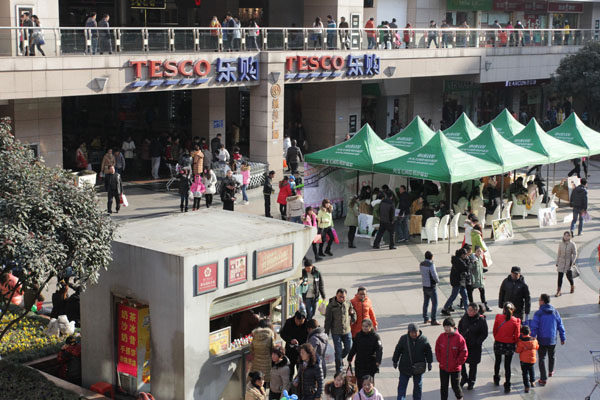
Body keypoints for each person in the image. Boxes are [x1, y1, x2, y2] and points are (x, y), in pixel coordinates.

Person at [530, 293, 566, 386]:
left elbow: (534, 326)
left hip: (542, 339)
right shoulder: (555, 312)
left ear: (542, 301)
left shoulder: (539, 313)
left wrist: (532, 336)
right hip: (552, 339)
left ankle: (543, 378)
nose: (539, 302)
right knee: (552, 355)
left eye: (539, 300)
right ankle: (551, 371)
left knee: (541, 358)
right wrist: (562, 337)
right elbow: (560, 325)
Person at [392, 322, 433, 400]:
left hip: (418, 367)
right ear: (409, 332)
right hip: (405, 366)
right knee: (402, 386)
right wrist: (395, 360)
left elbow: (428, 352)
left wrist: (429, 362)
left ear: (418, 331)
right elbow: (398, 350)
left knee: (418, 386)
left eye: (415, 332)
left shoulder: (424, 339)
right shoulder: (404, 339)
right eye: (412, 332)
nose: (414, 334)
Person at [435, 318, 468, 400]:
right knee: (443, 386)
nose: (446, 329)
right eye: (444, 327)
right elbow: (437, 349)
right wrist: (440, 360)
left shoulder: (459, 338)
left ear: (453, 326)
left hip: (455, 368)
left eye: (448, 327)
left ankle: (459, 397)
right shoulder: (441, 337)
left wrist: (457, 362)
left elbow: (464, 352)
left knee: (455, 386)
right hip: (443, 367)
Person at [325, 288, 356, 374]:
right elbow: (328, 320)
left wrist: (353, 317)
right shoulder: (331, 306)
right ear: (336, 295)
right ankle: (339, 369)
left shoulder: (348, 303)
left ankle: (339, 357)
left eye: (343, 297)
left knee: (349, 347)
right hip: (336, 332)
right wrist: (326, 332)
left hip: (347, 331)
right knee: (338, 351)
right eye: (340, 297)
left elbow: (352, 311)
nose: (342, 299)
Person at [458, 303, 488, 390]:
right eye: (468, 310)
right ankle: (464, 378)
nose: (469, 312)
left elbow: (484, 333)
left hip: (474, 347)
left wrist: (477, 341)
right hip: (464, 344)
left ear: (476, 311)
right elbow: (460, 325)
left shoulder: (481, 320)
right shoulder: (465, 317)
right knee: (461, 362)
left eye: (471, 310)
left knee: (473, 365)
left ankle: (471, 381)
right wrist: (461, 335)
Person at [493, 302, 520, 393]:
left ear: (503, 309)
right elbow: (517, 336)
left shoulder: (498, 317)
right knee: (507, 365)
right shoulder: (516, 321)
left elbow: (494, 330)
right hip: (509, 344)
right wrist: (513, 341)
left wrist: (498, 337)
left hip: (499, 342)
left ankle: (496, 378)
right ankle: (507, 384)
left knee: (498, 361)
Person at [348, 318, 382, 389]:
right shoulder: (358, 336)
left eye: (366, 326)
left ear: (370, 326)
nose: (364, 328)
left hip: (370, 364)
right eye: (363, 326)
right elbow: (354, 348)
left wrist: (378, 360)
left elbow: (379, 349)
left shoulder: (375, 337)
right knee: (360, 382)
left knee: (369, 382)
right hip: (360, 363)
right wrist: (350, 358)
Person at [441, 248, 469, 315]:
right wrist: (468, 261)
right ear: (462, 255)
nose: (466, 256)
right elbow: (465, 268)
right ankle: (445, 308)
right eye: (465, 255)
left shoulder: (457, 260)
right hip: (457, 282)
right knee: (454, 296)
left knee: (465, 296)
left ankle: (467, 311)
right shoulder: (459, 261)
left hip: (459, 281)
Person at [280, 310, 308, 378]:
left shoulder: (307, 324)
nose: (298, 323)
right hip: (290, 351)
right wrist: (290, 340)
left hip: (301, 352)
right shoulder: (289, 322)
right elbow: (283, 334)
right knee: (289, 370)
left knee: (301, 372)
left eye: (300, 321)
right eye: (297, 321)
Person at [250, 319, 275, 387]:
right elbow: (273, 349)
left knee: (256, 382)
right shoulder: (270, 337)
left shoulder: (255, 336)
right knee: (264, 382)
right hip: (266, 364)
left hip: (256, 363)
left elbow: (251, 349)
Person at [515, 325, 539, 393]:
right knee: (531, 370)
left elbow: (518, 351)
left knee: (525, 373)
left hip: (524, 360)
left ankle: (527, 386)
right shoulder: (534, 340)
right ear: (530, 332)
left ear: (521, 333)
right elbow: (537, 347)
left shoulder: (521, 342)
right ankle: (532, 381)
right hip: (532, 359)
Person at [420, 251, 440, 325]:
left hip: (425, 285)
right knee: (435, 303)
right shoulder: (431, 265)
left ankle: (425, 318)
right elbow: (434, 275)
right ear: (431, 257)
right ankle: (433, 320)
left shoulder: (421, 264)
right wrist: (437, 281)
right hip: (431, 286)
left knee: (426, 302)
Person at [556, 231, 577, 296]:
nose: (566, 237)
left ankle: (572, 286)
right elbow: (559, 253)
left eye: (567, 236)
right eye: (565, 235)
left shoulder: (572, 244)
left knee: (569, 277)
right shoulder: (561, 244)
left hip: (568, 263)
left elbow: (575, 253)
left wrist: (572, 262)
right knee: (560, 277)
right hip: (561, 262)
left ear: (570, 236)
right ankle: (559, 291)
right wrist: (557, 262)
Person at [471, 247, 490, 311]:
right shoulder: (473, 259)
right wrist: (472, 279)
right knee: (469, 292)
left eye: (480, 251)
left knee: (482, 291)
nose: (479, 252)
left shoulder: (480, 258)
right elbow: (471, 269)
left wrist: (483, 273)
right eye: (478, 251)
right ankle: (469, 305)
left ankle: (485, 305)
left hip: (480, 279)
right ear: (475, 251)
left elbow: (480, 268)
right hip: (474, 280)